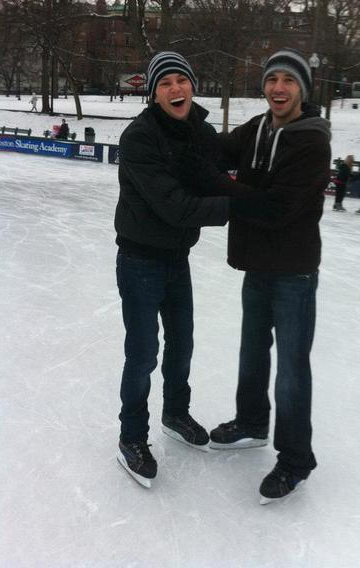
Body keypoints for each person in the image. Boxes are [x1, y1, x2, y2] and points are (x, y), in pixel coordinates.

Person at [114, 51, 276, 488]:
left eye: (181, 80)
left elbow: (214, 175)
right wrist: (243, 207)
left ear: (192, 85)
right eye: (165, 83)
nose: (175, 89)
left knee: (181, 344)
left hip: (176, 259)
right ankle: (131, 437)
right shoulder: (139, 139)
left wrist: (256, 190)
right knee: (143, 353)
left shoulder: (198, 132)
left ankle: (175, 413)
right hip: (139, 260)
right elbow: (177, 207)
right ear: (154, 94)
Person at [209, 48, 331, 502]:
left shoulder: (312, 141)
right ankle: (251, 422)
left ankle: (296, 460)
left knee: (292, 370)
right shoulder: (258, 127)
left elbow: (277, 207)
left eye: (289, 80)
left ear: (303, 89)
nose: (278, 88)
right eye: (272, 79)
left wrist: (224, 188)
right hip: (257, 266)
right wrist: (178, 124)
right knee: (252, 352)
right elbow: (218, 150)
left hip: (294, 273)